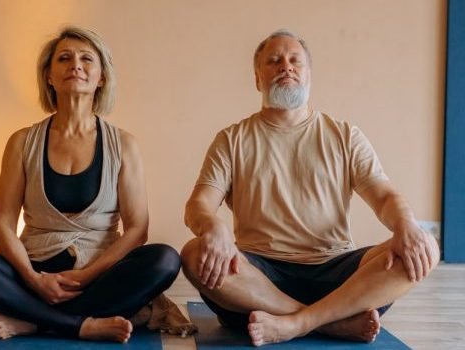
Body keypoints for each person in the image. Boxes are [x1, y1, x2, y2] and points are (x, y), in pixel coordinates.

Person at [180, 29, 440, 346]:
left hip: (336, 275)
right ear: (257, 79)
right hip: (260, 279)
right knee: (193, 253)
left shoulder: (345, 136)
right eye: (274, 61)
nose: (285, 67)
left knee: (426, 246)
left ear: (309, 75)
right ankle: (330, 322)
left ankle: (298, 322)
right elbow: (198, 205)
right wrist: (213, 227)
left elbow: (384, 197)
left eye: (295, 61)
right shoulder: (231, 140)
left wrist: (406, 224)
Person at [0, 27, 180, 343]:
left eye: (86, 59)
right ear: (49, 76)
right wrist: (33, 279)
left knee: (165, 259)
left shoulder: (124, 145)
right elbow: (3, 222)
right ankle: (79, 324)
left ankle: (32, 321)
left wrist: (84, 276)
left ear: (101, 77)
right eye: (64, 58)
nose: (75, 65)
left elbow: (137, 229)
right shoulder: (22, 141)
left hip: (98, 277)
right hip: (32, 272)